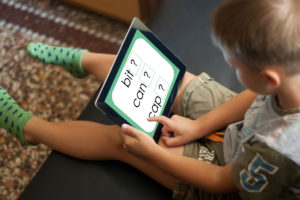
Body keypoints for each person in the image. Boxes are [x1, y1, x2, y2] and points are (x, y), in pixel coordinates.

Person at [0, 0, 299, 199]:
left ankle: (31, 129)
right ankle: (84, 61)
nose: (231, 68)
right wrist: (199, 126)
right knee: (170, 77)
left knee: (125, 140)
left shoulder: (281, 149)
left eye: (235, 66)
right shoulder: (289, 73)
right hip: (244, 130)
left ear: (270, 77)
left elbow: (221, 182)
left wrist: (153, 153)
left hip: (228, 179)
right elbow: (255, 94)